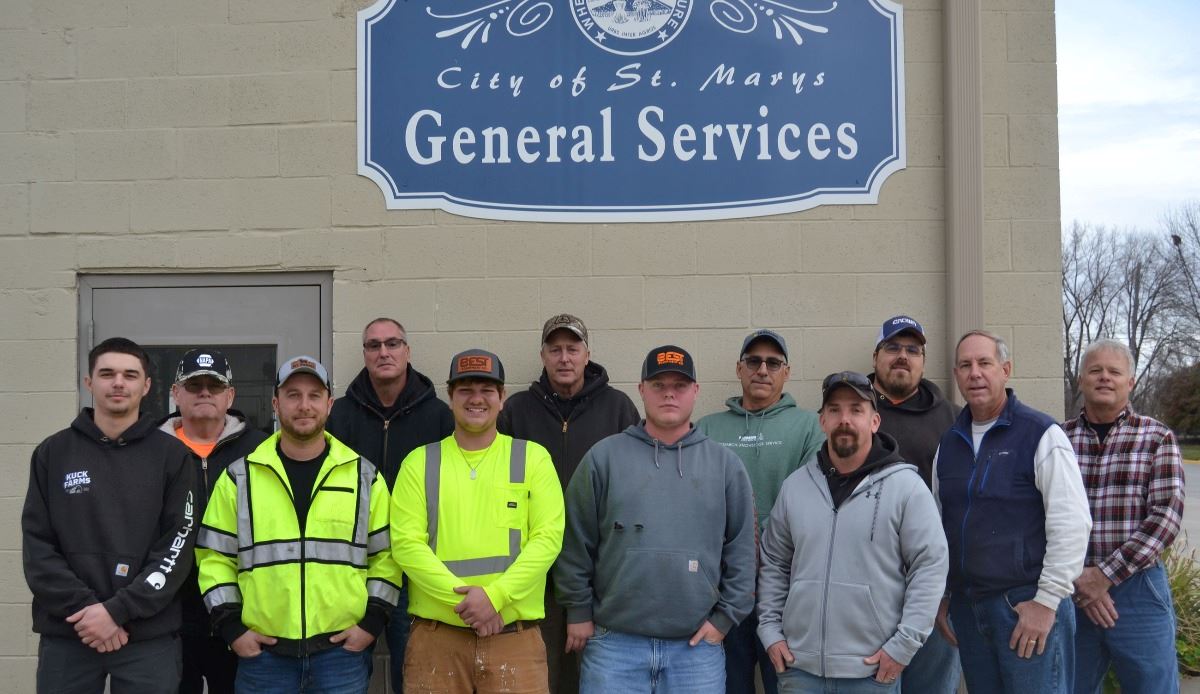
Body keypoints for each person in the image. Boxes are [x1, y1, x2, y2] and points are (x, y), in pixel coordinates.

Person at [555, 345, 756, 694]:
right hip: (614, 647)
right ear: (641, 389)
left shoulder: (725, 466)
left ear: (695, 391)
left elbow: (743, 551)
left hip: (696, 650)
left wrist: (723, 620)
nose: (669, 393)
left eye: (679, 385)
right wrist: (578, 611)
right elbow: (575, 541)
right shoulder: (604, 458)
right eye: (658, 384)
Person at [196, 356, 401, 694]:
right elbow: (213, 558)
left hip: (340, 657)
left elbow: (388, 557)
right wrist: (233, 629)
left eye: (314, 395)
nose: (304, 405)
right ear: (276, 404)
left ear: (330, 404)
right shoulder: (240, 477)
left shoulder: (364, 475)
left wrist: (371, 623)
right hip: (263, 659)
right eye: (292, 395)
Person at [23, 337, 197, 694]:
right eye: (107, 373)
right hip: (71, 632)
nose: (118, 383)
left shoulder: (173, 456)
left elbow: (178, 545)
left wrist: (118, 610)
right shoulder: (53, 453)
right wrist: (90, 612)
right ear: (89, 382)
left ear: (146, 385)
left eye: (130, 375)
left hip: (148, 638)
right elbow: (38, 548)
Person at [757, 371, 948, 694]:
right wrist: (770, 632)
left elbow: (930, 567)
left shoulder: (907, 489)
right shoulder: (795, 488)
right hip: (799, 672)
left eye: (856, 410)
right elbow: (774, 563)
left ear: (874, 421)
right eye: (834, 409)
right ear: (822, 421)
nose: (844, 419)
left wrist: (902, 646)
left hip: (871, 672)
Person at [391, 348, 565, 694]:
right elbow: (406, 545)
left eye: (486, 390)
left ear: (502, 398)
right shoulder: (419, 463)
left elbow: (548, 539)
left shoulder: (533, 459)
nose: (476, 399)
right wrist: (473, 608)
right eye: (465, 390)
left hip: (514, 640)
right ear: (450, 397)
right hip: (437, 642)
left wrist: (495, 598)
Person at [933, 330, 1091, 694]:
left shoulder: (1041, 434)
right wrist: (943, 595)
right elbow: (940, 523)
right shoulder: (949, 443)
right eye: (965, 365)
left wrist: (1047, 602)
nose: (975, 373)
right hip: (970, 612)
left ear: (1005, 369)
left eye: (985, 363)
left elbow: (1072, 523)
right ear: (956, 375)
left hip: (1026, 608)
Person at [497, 313, 639, 694]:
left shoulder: (619, 409)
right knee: (542, 677)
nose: (564, 358)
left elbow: (636, 485)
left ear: (587, 355)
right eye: (555, 349)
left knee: (595, 680)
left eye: (572, 349)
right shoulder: (517, 412)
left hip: (600, 574)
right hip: (533, 578)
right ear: (542, 356)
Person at [327, 317, 454, 692]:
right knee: (345, 675)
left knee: (413, 675)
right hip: (352, 569)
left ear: (407, 351)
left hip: (415, 571)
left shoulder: (439, 417)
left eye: (393, 343)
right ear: (364, 354)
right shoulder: (340, 416)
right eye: (373, 345)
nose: (383, 352)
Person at [695, 328, 823, 694]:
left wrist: (758, 540)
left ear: (787, 371)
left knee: (784, 682)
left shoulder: (808, 426)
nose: (762, 370)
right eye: (753, 361)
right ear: (739, 369)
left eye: (773, 362)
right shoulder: (707, 428)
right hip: (721, 585)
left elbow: (809, 495)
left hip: (784, 584)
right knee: (730, 683)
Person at [1063, 339, 1186, 694]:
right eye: (1095, 370)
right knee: (1069, 686)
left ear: (1130, 382)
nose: (1104, 378)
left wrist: (1104, 576)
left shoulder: (1156, 437)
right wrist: (1081, 578)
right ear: (1082, 378)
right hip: (1073, 589)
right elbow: (1041, 513)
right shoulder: (1058, 438)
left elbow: (1166, 517)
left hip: (1139, 590)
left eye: (1114, 372)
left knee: (1153, 687)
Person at [159, 348, 269, 694]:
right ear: (176, 393)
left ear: (230, 395)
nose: (204, 392)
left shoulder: (262, 449)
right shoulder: (150, 450)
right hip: (168, 619)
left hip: (242, 616)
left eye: (215, 385)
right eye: (194, 385)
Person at [866, 315, 961, 693]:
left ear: (923, 361)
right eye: (893, 348)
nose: (902, 356)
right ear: (876, 357)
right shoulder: (850, 412)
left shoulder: (953, 419)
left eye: (912, 350)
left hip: (935, 584)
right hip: (869, 585)